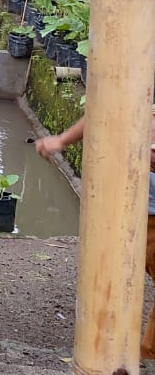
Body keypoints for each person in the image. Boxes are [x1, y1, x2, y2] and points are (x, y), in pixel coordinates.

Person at [36, 110, 155, 359]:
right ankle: (117, 353)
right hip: (132, 206)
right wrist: (63, 139)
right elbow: (109, 109)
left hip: (128, 203)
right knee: (111, 280)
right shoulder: (138, 97)